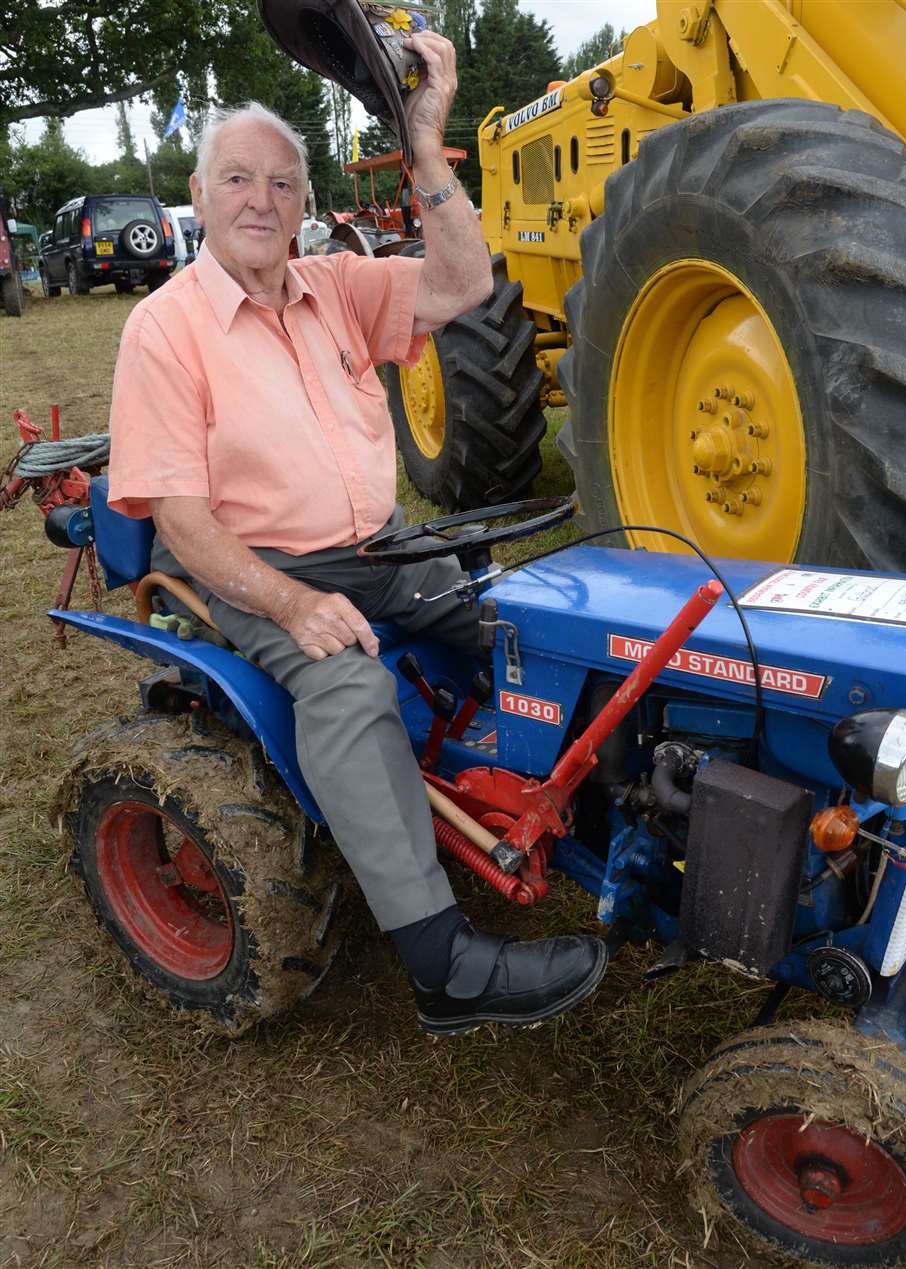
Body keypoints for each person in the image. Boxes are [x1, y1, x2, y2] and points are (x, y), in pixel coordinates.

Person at [106, 31, 606, 1035]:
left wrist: (425, 143)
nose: (261, 199)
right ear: (199, 202)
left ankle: (596, 819)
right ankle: (443, 963)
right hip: (258, 568)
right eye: (237, 179)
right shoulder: (163, 329)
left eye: (283, 183)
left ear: (303, 202)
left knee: (528, 628)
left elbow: (465, 286)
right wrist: (293, 602)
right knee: (346, 683)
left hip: (382, 546)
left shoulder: (334, 284)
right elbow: (184, 521)